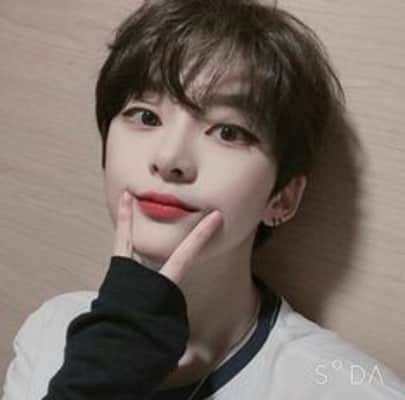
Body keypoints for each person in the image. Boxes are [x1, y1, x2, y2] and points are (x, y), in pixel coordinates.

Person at [2, 0, 405, 399]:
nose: (169, 159)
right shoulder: (52, 330)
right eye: (146, 116)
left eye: (229, 132)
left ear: (281, 198)